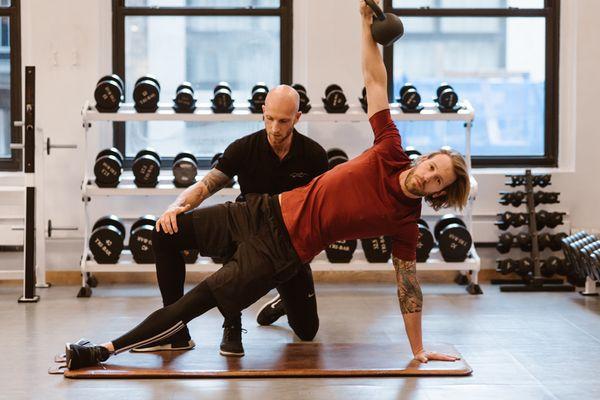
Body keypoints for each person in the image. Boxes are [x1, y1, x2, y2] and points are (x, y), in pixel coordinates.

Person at [64, 0, 470, 370]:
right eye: (433, 165)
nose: (429, 175)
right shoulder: (391, 147)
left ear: (438, 193)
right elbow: (375, 80)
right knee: (169, 231)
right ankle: (170, 333)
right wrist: (365, 25)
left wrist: (418, 348)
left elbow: (408, 286)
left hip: (282, 251)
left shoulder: (404, 222)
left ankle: (103, 350)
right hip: (258, 212)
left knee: (200, 299)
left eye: (438, 180)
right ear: (425, 157)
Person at [132, 84, 328, 357]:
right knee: (168, 233)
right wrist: (174, 207)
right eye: (269, 118)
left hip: (288, 247)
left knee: (307, 331)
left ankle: (285, 300)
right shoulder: (244, 148)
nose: (274, 128)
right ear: (262, 112)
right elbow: (206, 186)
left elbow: (324, 211)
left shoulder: (314, 156)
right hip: (248, 232)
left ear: (297, 118)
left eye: (283, 121)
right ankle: (195, 329)